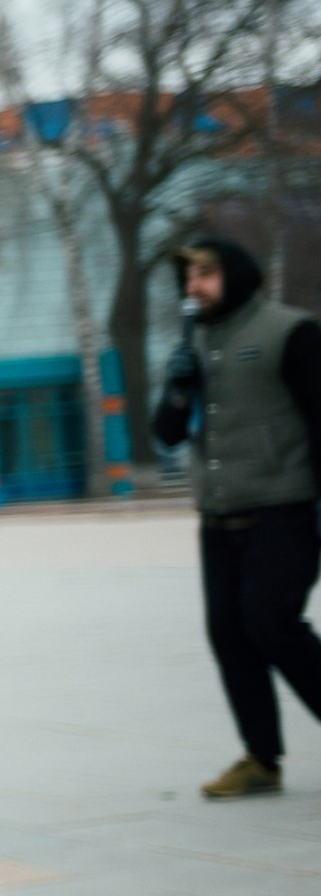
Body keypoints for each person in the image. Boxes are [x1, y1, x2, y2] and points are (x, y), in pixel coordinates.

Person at [151, 237, 321, 800]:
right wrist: (177, 392)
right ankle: (261, 759)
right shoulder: (194, 342)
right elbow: (168, 433)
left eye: (204, 273)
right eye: (188, 277)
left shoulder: (289, 332)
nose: (192, 286)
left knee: (272, 624)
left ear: (237, 274)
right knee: (230, 633)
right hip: (218, 517)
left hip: (283, 509)